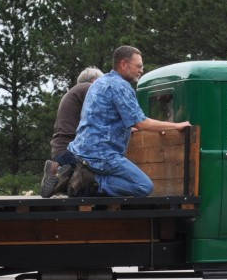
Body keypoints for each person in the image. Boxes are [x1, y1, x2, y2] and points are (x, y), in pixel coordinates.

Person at [65, 45, 191, 197]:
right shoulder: (120, 86)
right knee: (143, 186)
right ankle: (91, 181)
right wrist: (176, 125)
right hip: (102, 154)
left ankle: (80, 176)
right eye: (138, 66)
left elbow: (102, 118)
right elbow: (141, 122)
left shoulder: (99, 82)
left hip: (81, 150)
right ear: (124, 64)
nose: (141, 70)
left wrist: (125, 129)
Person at [40, 66, 103, 197]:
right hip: (71, 149)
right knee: (96, 175)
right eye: (101, 83)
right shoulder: (87, 88)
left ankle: (59, 173)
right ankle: (61, 176)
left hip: (61, 150)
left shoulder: (72, 94)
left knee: (83, 178)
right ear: (94, 81)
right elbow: (105, 112)